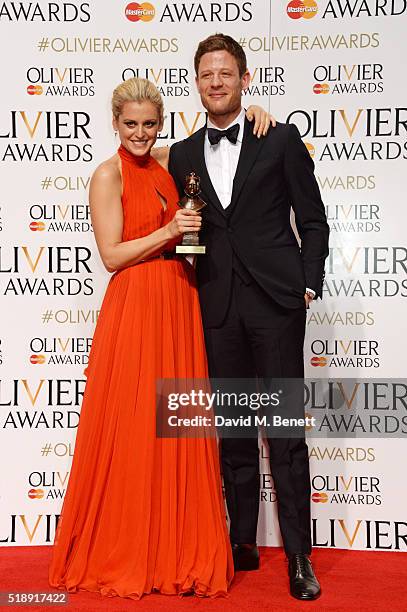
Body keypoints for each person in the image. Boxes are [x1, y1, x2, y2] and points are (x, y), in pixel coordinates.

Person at [48, 76, 272, 600]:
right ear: (114, 123)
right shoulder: (107, 175)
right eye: (131, 124)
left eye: (150, 124)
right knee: (135, 430)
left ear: (160, 123)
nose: (141, 134)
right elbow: (111, 256)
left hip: (178, 302)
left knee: (178, 432)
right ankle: (131, 549)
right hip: (137, 309)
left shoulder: (169, 163)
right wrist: (168, 233)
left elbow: (217, 132)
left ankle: (175, 547)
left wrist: (255, 114)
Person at [168, 34, 330, 601]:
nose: (216, 82)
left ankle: (299, 557)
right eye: (207, 74)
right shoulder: (182, 153)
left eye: (226, 73)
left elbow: (313, 220)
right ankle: (240, 543)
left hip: (277, 307)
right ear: (197, 82)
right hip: (216, 309)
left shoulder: (280, 137)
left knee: (285, 435)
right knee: (233, 434)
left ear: (244, 79)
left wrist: (308, 282)